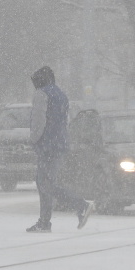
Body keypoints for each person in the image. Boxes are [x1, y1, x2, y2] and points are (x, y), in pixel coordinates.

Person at [26, 66, 93, 233]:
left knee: (45, 183)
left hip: (47, 145)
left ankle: (79, 205)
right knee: (47, 182)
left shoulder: (41, 94)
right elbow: (65, 120)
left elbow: (38, 121)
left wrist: (33, 140)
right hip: (60, 144)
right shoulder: (61, 95)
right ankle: (45, 221)